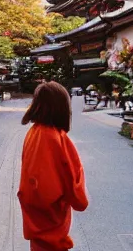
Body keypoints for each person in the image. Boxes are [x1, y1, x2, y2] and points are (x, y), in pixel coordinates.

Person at [18, 81, 89, 251]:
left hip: (34, 219)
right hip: (52, 224)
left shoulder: (33, 132)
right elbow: (76, 189)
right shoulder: (57, 139)